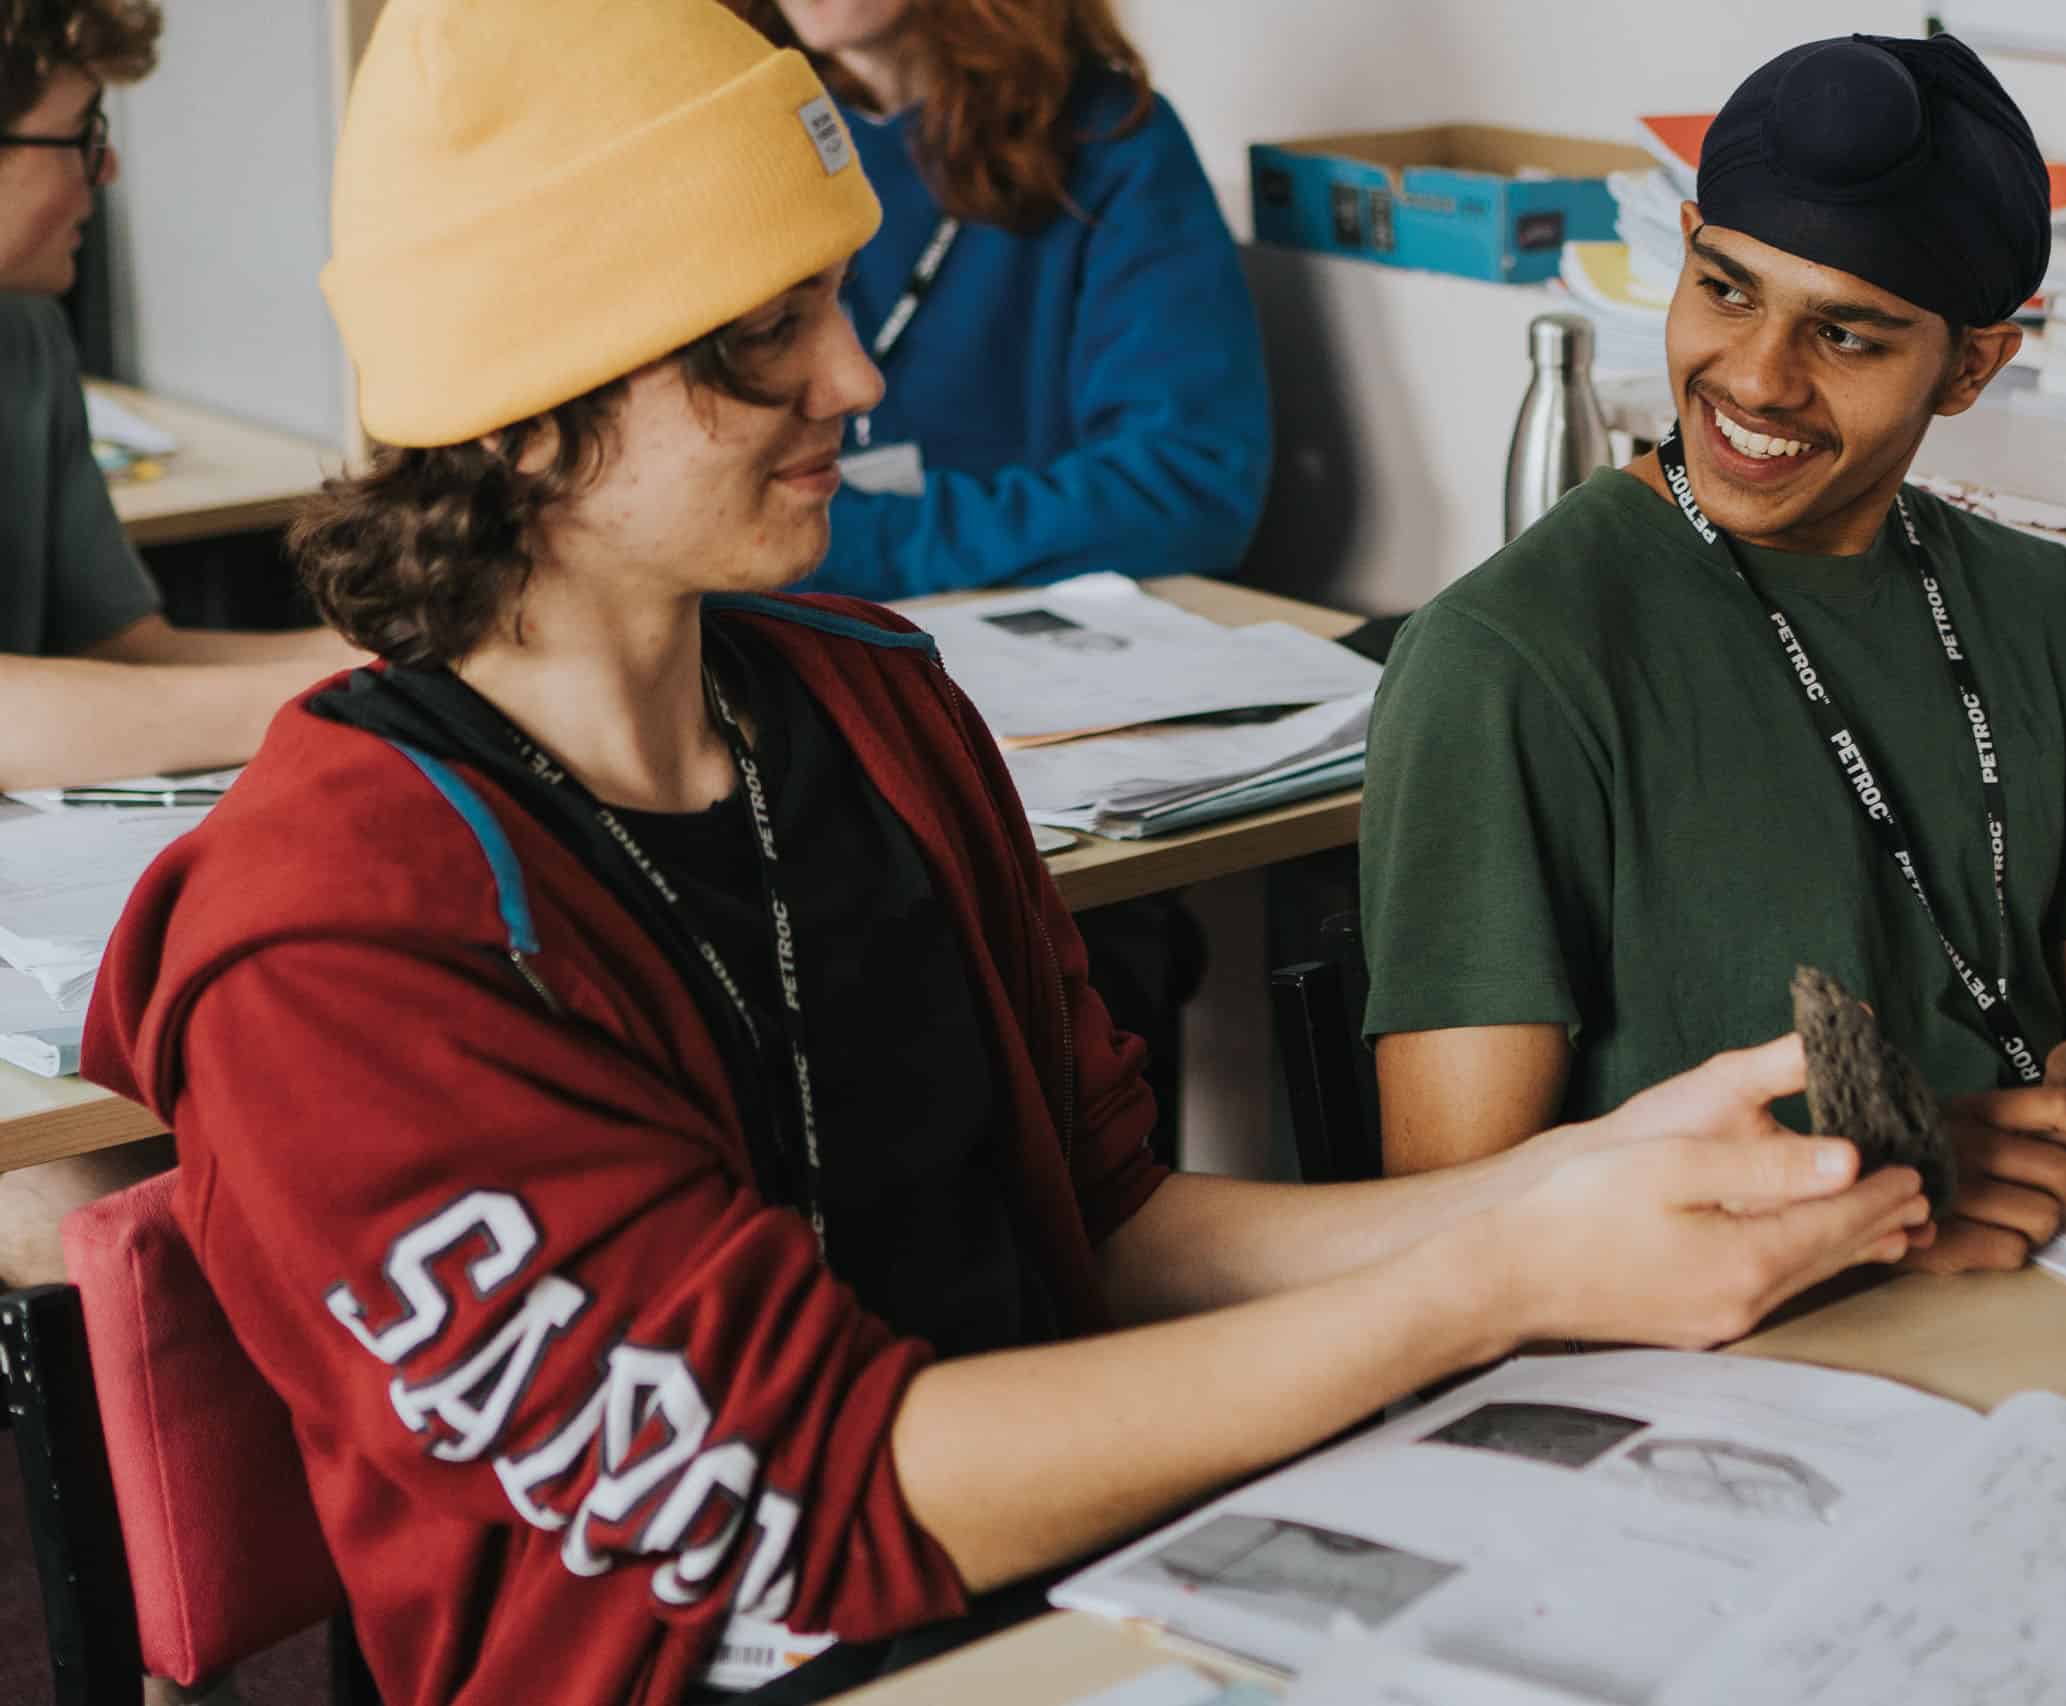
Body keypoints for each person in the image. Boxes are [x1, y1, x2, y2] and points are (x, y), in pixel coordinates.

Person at [80, 5, 1931, 1703]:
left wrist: (1561, 1189)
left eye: (837, 299)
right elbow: (806, 1498)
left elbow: (1112, 1227)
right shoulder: (333, 943)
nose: (855, 381)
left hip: (1096, 1598)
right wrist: (1490, 1287)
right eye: (763, 336)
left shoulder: (877, 711)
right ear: (533, 402)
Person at [1358, 33, 2066, 1273]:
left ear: (1972, 366)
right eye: (1725, 289)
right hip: (1720, 1365)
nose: (1756, 380)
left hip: (2059, 1297)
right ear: (1680, 251)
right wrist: (1891, 1187)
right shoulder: (1505, 658)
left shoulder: (2052, 611)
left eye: (1846, 336)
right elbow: (1453, 1229)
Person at [0, 0, 366, 1294]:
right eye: (78, 132)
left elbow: (128, 646)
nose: (104, 170)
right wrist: (330, 689)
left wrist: (388, 656)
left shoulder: (28, 338)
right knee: (119, 1213)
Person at [736, 0, 1272, 598]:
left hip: (1043, 640)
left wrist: (838, 541)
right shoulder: (730, 142)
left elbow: (1188, 493)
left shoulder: (1111, 138)